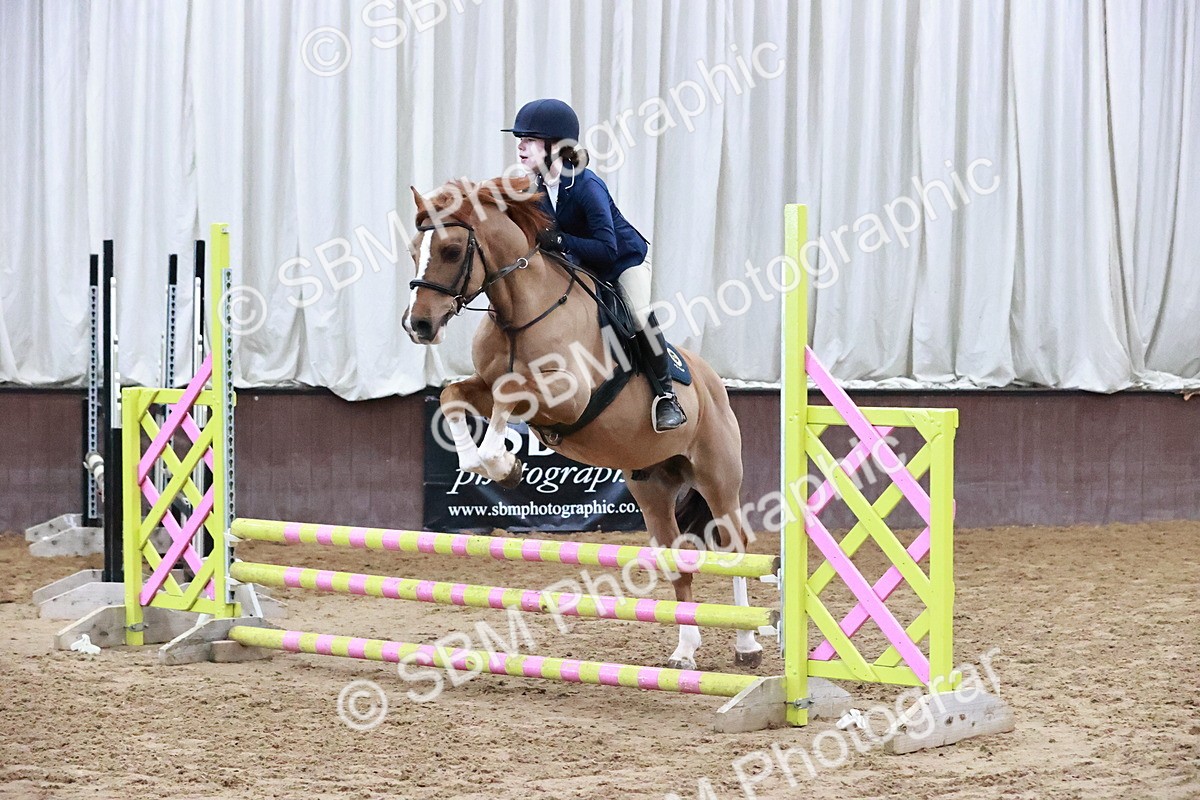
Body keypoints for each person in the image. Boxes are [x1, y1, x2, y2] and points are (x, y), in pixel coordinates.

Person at [503, 98, 687, 433]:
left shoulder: (587, 186)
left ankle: (667, 397)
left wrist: (560, 242)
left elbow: (606, 247)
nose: (520, 146)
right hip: (582, 266)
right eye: (520, 140)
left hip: (621, 262)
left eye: (529, 139)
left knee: (636, 314)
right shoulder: (538, 188)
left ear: (555, 146)